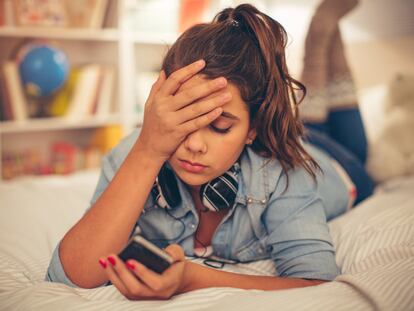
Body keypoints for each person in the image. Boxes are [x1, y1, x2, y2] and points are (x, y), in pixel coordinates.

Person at [45, 1, 374, 300]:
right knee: (309, 113)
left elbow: (317, 284)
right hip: (277, 132)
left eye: (219, 127)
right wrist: (146, 152)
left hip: (335, 161)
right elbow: (70, 276)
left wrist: (192, 278)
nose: (194, 144)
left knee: (334, 132)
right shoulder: (136, 150)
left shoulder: (282, 174)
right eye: (183, 121)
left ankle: (321, 34)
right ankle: (313, 81)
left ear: (252, 130)